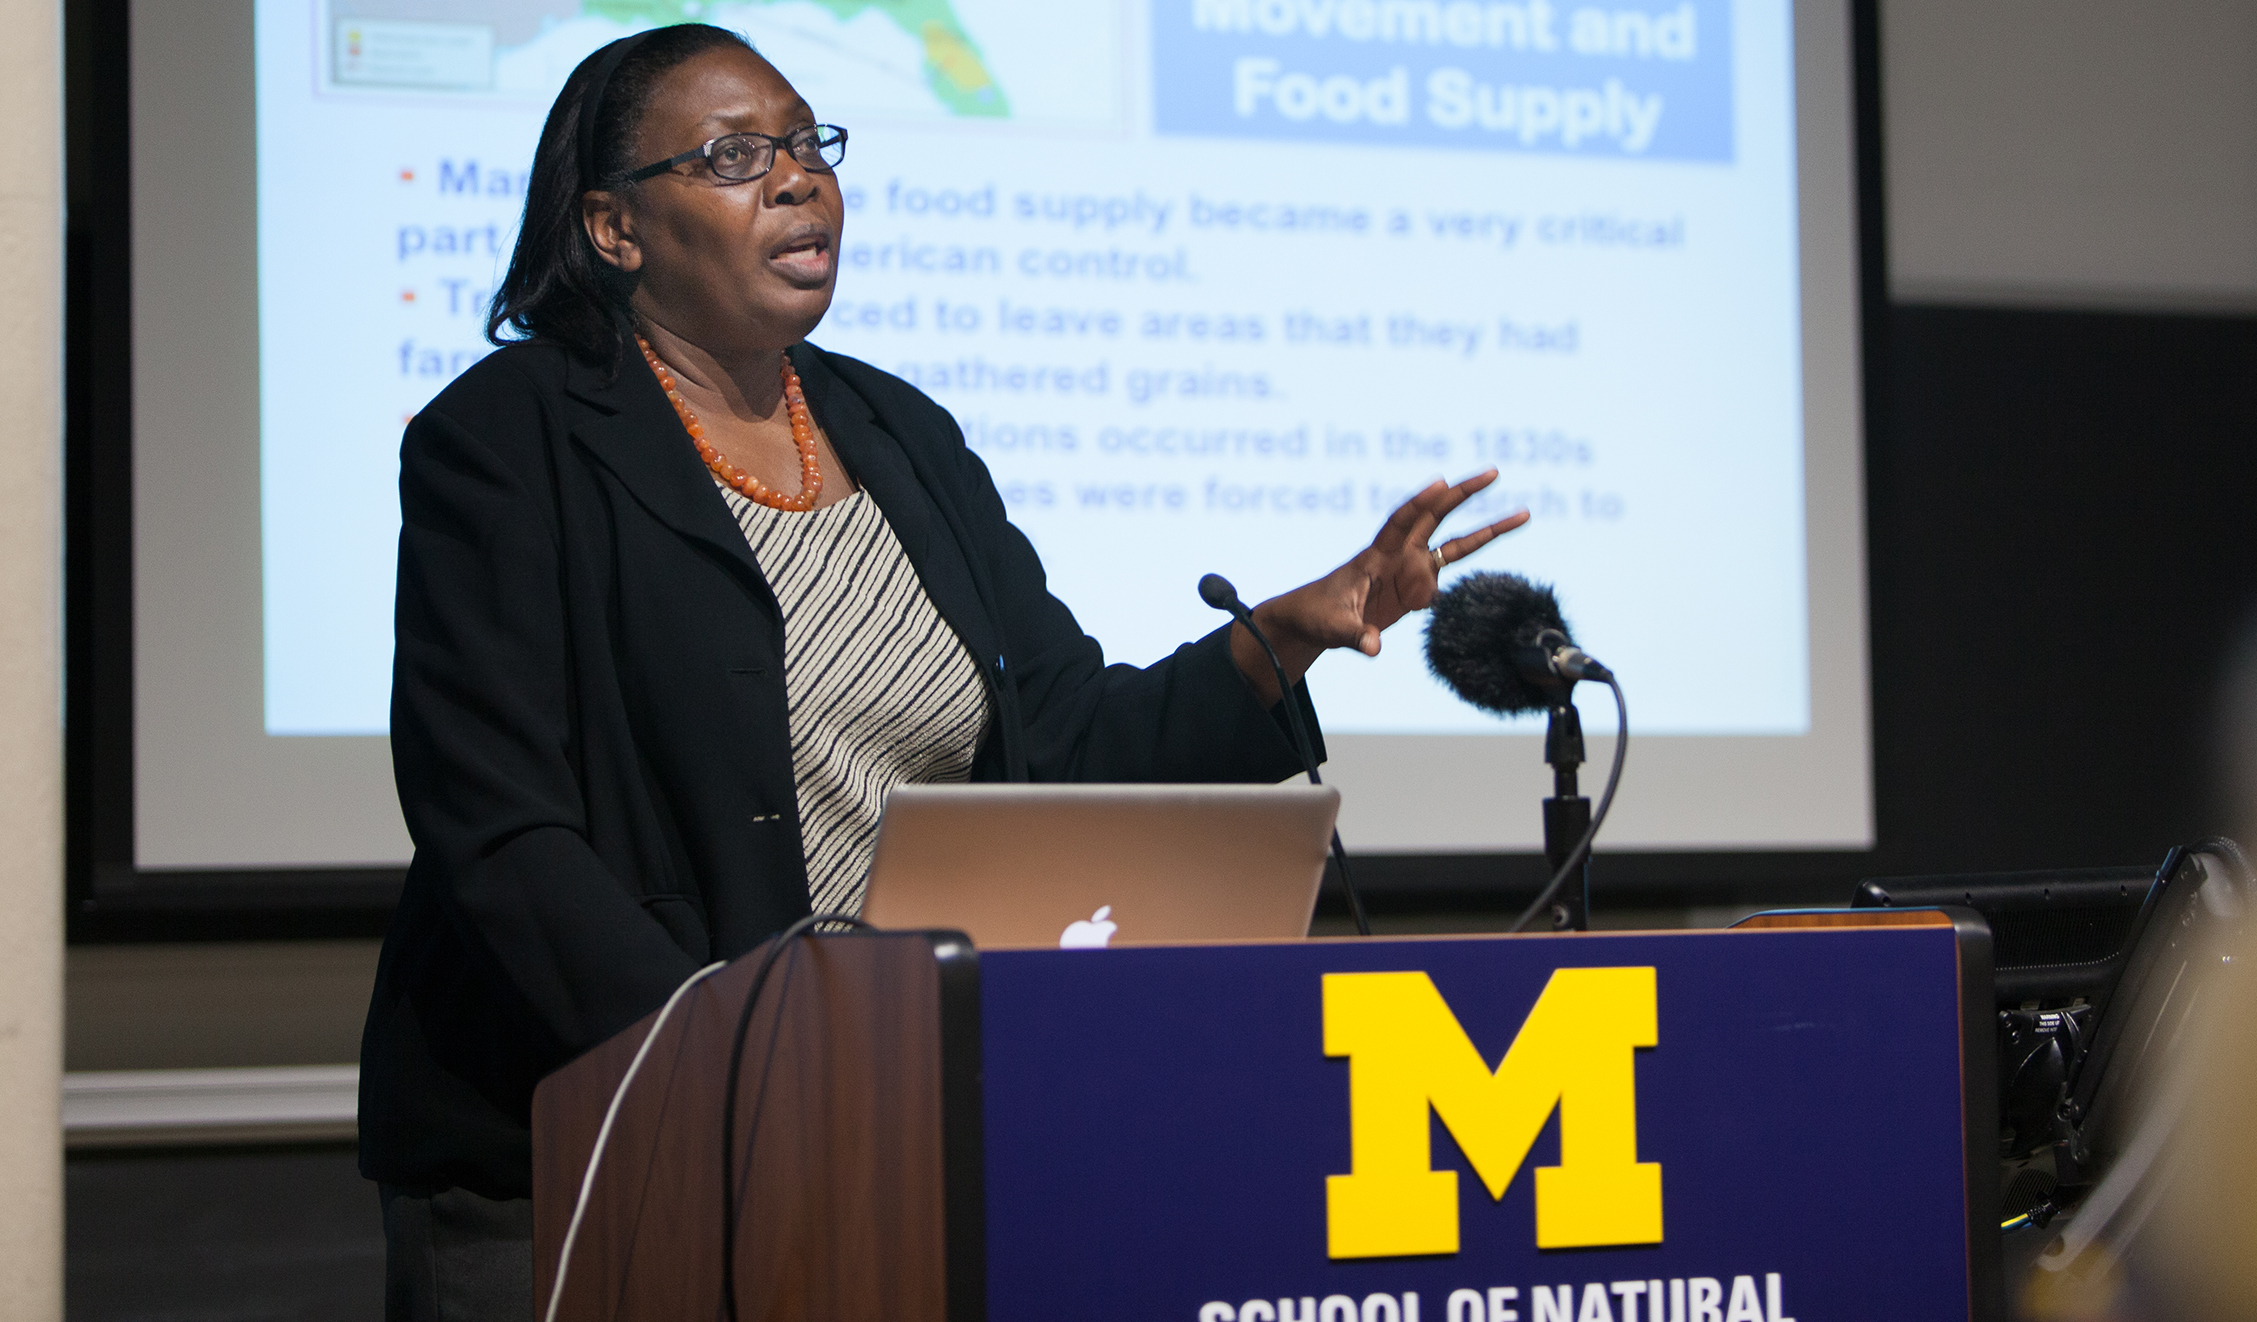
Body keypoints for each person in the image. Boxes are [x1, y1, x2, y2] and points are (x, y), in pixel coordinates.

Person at [359, 22, 1529, 1319]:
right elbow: (500, 826)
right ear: (613, 227)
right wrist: (721, 1054)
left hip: (882, 1127)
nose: (796, 179)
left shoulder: (898, 431)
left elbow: (1063, 738)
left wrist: (1289, 632)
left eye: (808, 145)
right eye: (735, 156)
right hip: (589, 1143)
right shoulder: (507, 440)